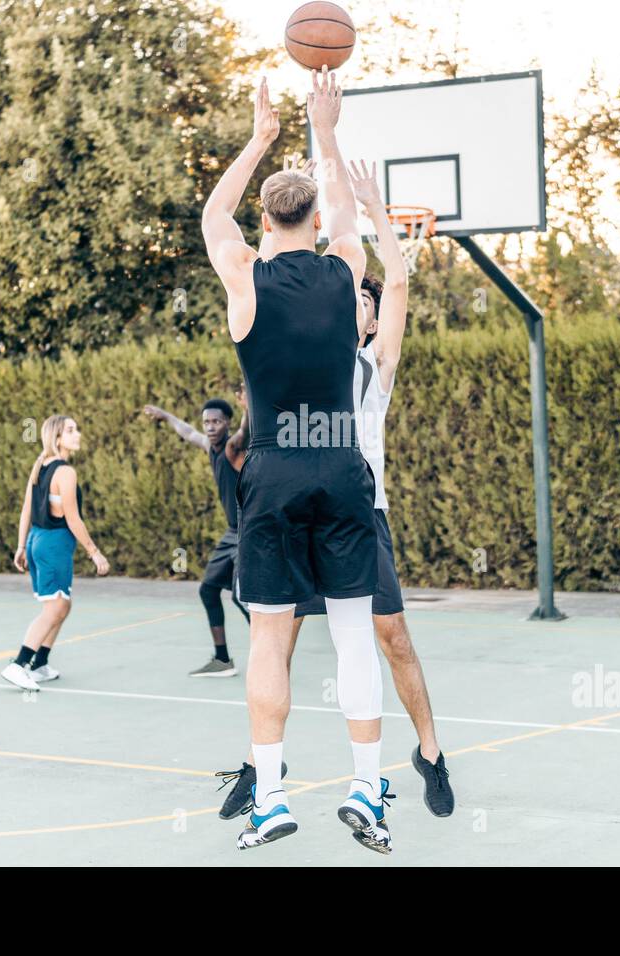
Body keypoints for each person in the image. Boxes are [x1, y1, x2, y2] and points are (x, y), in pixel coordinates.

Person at [217, 159, 455, 822]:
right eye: (357, 297)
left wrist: (371, 206)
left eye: (367, 303)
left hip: (357, 509)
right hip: (320, 492)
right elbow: (283, 256)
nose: (360, 304)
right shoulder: (311, 332)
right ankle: (266, 763)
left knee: (389, 635)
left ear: (370, 319)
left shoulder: (375, 369)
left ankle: (428, 754)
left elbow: (395, 275)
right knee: (279, 635)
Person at [202, 68, 392, 852]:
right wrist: (329, 127)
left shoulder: (243, 279)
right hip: (343, 466)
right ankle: (367, 788)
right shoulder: (345, 267)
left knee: (270, 639)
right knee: (353, 634)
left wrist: (259, 136)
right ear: (313, 217)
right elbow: (348, 215)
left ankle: (272, 796)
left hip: (274, 469)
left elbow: (213, 213)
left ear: (265, 219)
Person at [142, 394, 251, 677]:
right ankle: (223, 660)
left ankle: (272, 654)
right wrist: (164, 414)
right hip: (232, 532)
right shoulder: (209, 446)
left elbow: (244, 432)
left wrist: (247, 409)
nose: (210, 427)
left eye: (216, 421)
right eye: (207, 422)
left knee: (242, 596)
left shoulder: (231, 447)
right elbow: (188, 432)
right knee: (208, 589)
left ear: (226, 423)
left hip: (250, 530)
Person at [5, 414, 109, 691]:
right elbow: (73, 519)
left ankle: (39, 664)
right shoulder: (66, 472)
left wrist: (20, 545)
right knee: (53, 610)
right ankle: (18, 665)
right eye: (71, 430)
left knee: (63, 604)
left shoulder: (39, 465)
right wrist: (94, 552)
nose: (78, 434)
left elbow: (26, 508)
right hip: (54, 545)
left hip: (36, 541)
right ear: (58, 438)